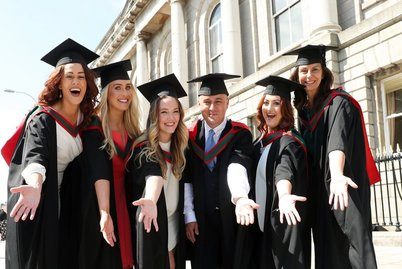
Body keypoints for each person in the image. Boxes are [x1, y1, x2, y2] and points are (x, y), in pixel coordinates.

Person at [2, 38, 99, 269]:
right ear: (59, 83)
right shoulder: (43, 118)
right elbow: (36, 155)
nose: (76, 81)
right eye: (69, 76)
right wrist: (35, 186)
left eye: (81, 76)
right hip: (36, 198)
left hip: (66, 197)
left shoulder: (86, 122)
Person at [287, 44, 380, 269]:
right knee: (327, 249)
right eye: (304, 70)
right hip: (321, 193)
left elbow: (336, 142)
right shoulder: (304, 110)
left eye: (315, 70)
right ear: (297, 75)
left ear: (324, 72)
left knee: (353, 246)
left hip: (342, 189)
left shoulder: (338, 102)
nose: (309, 76)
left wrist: (337, 175)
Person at [185, 73, 256, 269]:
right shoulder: (189, 137)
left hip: (231, 217)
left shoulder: (239, 134)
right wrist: (189, 216)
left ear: (227, 103)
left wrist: (240, 198)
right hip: (200, 220)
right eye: (207, 102)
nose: (212, 108)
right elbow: (186, 178)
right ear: (199, 103)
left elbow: (237, 166)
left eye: (218, 101)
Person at [239, 75, 310, 268]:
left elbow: (284, 170)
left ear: (285, 108)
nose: (269, 109)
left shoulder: (289, 143)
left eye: (276, 103)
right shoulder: (259, 143)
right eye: (266, 103)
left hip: (282, 226)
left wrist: (285, 195)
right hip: (261, 227)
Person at [78, 60, 141, 269]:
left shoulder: (134, 132)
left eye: (128, 87)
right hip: (100, 206)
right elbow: (98, 171)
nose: (124, 93)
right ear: (107, 93)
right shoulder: (93, 128)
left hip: (129, 205)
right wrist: (105, 212)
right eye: (117, 88)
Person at [129, 73, 188, 269]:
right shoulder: (144, 147)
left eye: (175, 111)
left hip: (174, 218)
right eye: (164, 112)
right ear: (155, 115)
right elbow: (153, 175)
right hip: (152, 216)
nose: (171, 118)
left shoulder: (181, 146)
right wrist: (152, 200)